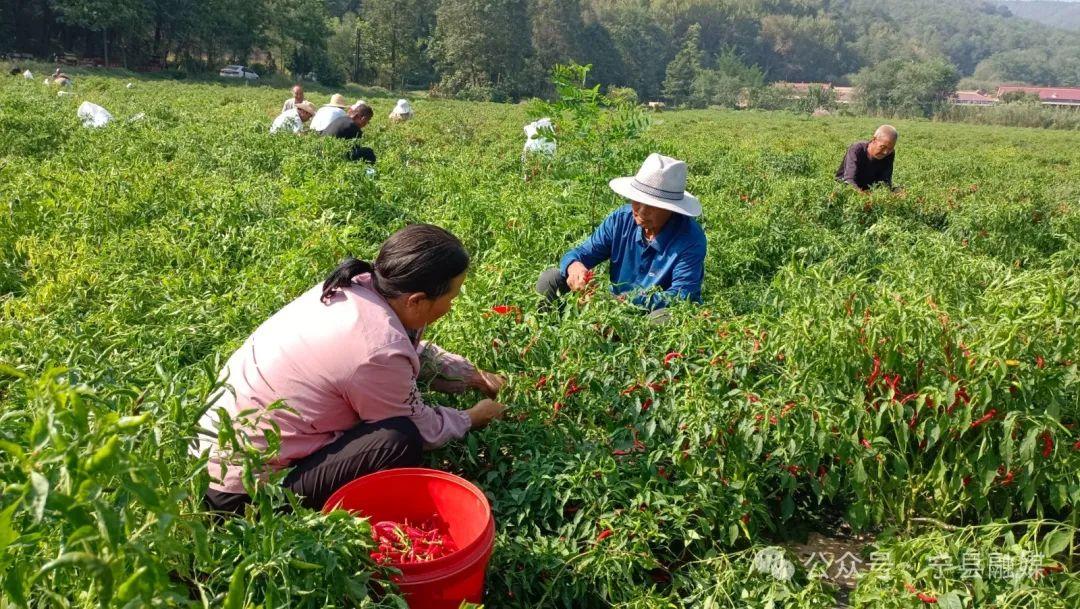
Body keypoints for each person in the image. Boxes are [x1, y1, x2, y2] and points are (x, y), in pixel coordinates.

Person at [196, 224, 508, 513]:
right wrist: (472, 417)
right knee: (399, 440)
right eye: (452, 297)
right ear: (416, 301)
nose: (452, 306)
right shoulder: (378, 350)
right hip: (240, 493)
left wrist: (470, 375)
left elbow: (407, 347)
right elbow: (423, 427)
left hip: (206, 455)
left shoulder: (358, 287)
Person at [536, 153, 707, 319]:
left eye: (653, 205)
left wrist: (624, 301)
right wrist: (574, 267)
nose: (641, 211)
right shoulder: (621, 220)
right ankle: (545, 333)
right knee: (551, 279)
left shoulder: (690, 239)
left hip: (651, 311)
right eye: (638, 200)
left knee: (663, 318)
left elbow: (681, 295)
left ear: (671, 209)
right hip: (613, 306)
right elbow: (582, 252)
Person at [836, 125, 898, 192]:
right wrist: (864, 195)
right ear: (874, 140)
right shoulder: (857, 149)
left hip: (869, 188)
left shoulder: (890, 154)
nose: (885, 152)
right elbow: (849, 180)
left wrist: (885, 192)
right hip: (847, 187)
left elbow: (885, 181)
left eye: (890, 148)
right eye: (883, 147)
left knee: (899, 191)